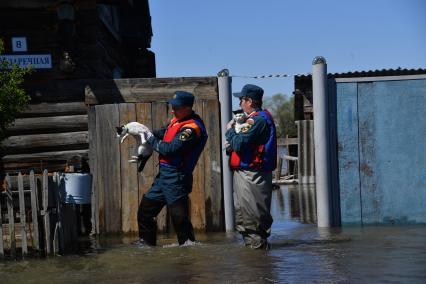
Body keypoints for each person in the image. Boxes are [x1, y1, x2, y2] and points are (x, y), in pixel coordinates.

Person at [136, 91, 208, 246]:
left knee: (179, 219)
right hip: (163, 177)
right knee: (145, 212)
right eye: (172, 107)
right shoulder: (176, 120)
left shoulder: (191, 129)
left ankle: (188, 252)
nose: (172, 110)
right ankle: (146, 246)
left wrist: (150, 139)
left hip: (177, 177)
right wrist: (139, 132)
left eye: (176, 108)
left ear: (187, 108)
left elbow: (169, 149)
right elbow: (160, 133)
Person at [225, 84, 277, 249]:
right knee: (244, 218)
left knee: (253, 220)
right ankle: (254, 263)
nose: (240, 103)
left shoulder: (258, 119)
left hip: (253, 175)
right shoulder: (252, 119)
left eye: (241, 100)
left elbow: (239, 143)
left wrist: (230, 130)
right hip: (246, 173)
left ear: (249, 101)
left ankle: (259, 265)